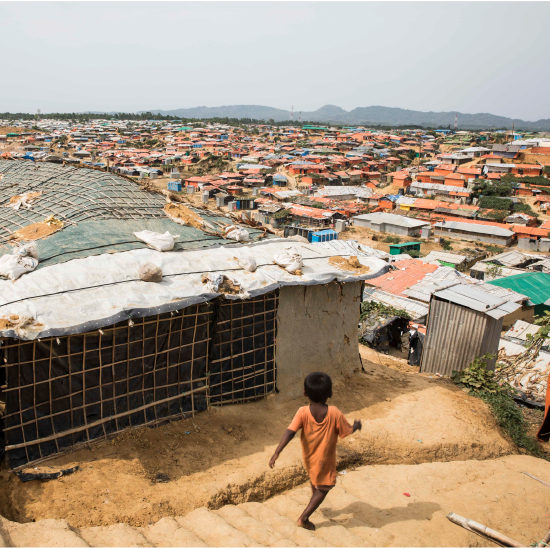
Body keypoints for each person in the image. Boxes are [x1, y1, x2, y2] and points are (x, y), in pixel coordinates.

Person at [269, 372, 361, 531]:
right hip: (324, 459)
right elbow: (345, 431)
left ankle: (313, 500)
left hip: (309, 457)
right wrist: (356, 427)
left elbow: (290, 432)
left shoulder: (302, 412)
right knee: (326, 486)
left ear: (305, 393)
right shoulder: (334, 413)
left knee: (315, 478)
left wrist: (277, 452)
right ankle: (304, 518)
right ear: (330, 394)